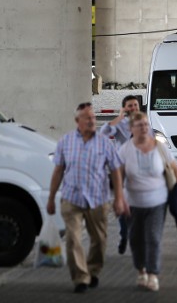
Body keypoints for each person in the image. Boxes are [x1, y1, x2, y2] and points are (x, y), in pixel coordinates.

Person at [47, 103, 126, 293]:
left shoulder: (104, 143)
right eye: (87, 118)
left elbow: (115, 170)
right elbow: (58, 171)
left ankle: (93, 270)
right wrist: (51, 198)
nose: (92, 121)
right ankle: (80, 278)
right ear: (77, 121)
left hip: (98, 199)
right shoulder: (65, 142)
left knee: (99, 240)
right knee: (73, 239)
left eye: (93, 117)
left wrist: (119, 198)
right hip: (71, 198)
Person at [118, 112, 177, 292]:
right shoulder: (125, 150)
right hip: (133, 203)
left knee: (153, 237)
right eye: (139, 125)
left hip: (158, 202)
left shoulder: (160, 147)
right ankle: (141, 270)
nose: (144, 128)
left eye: (146, 125)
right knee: (136, 239)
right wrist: (120, 198)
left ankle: (153, 274)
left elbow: (175, 168)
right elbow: (119, 176)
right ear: (131, 129)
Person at [100, 95, 142, 254]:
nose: (133, 108)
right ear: (125, 108)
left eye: (135, 105)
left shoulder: (144, 124)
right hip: (122, 171)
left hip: (139, 170)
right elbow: (104, 132)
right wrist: (119, 116)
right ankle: (124, 234)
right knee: (123, 204)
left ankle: (134, 234)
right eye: (130, 106)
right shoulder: (121, 124)